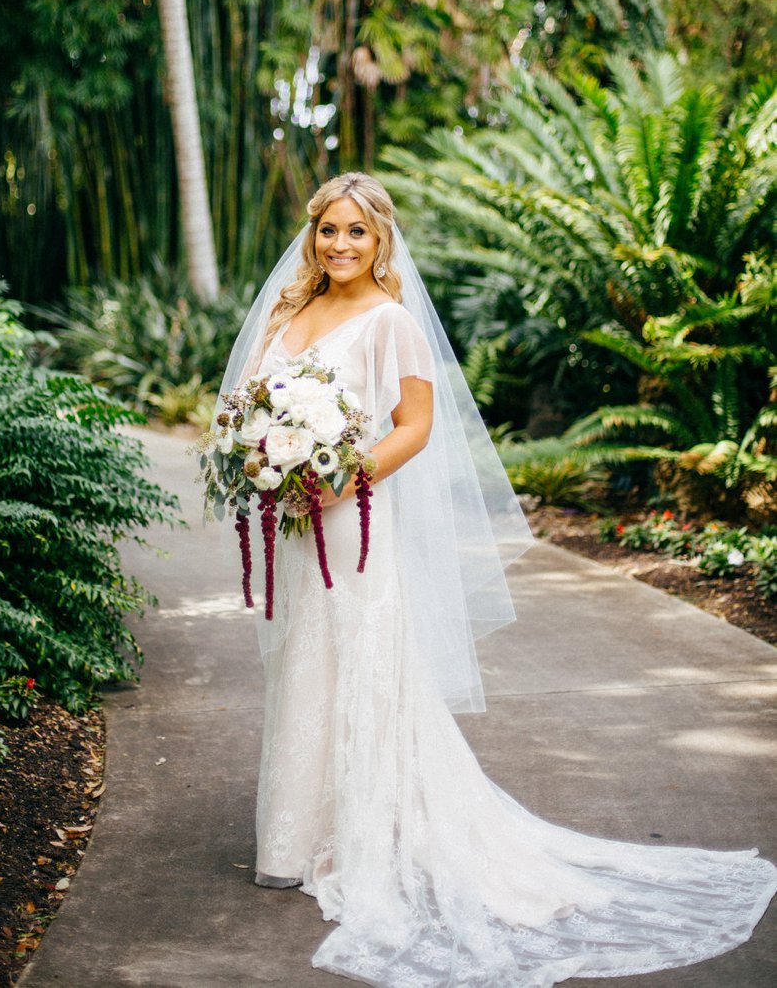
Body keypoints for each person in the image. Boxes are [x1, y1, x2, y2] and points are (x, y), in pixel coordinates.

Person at [212, 171, 777, 987]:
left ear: (382, 241)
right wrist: (257, 458)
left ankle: (369, 835)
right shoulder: (286, 313)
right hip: (294, 524)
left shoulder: (392, 323)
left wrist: (343, 475)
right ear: (312, 236)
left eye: (356, 233)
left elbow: (415, 426)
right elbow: (248, 406)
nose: (339, 245)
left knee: (363, 663)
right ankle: (297, 838)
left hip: (350, 516)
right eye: (327, 230)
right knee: (303, 664)